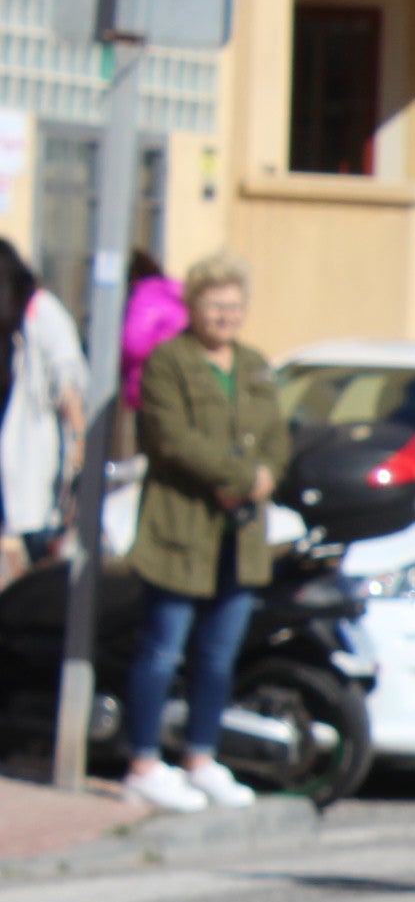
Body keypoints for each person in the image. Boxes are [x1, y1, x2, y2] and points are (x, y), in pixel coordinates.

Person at [121, 254, 288, 815]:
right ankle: (144, 761)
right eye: (216, 305)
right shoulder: (169, 363)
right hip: (181, 529)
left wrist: (265, 476)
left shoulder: (256, 365)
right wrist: (239, 477)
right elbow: (170, 437)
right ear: (193, 307)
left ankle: (201, 756)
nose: (226, 316)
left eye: (234, 306)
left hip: (238, 537)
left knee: (219, 657)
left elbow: (275, 438)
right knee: (162, 651)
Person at [0, 239, 88, 585]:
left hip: (28, 462)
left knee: (31, 561)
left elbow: (68, 380)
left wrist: (78, 447)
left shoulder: (40, 311)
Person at [119, 250, 184, 415]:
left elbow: (134, 344)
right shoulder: (174, 293)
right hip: (182, 385)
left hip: (149, 385)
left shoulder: (144, 294)